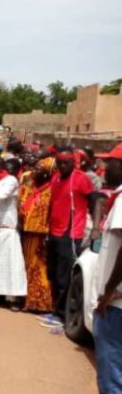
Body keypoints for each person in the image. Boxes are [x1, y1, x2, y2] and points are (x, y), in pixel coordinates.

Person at [45, 146, 98, 325]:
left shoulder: (81, 179)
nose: (62, 166)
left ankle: (60, 315)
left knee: (63, 275)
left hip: (71, 233)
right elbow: (53, 203)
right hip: (54, 231)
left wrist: (96, 227)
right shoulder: (56, 178)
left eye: (66, 162)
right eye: (59, 162)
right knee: (52, 273)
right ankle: (55, 309)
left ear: (73, 162)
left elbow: (95, 200)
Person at [93, 144, 122, 394]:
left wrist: (109, 292)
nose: (104, 168)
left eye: (109, 163)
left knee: (111, 374)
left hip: (117, 305)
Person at [0, 157, 27, 310]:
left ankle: (13, 298)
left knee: (11, 265)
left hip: (7, 228)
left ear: (1, 167)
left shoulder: (11, 181)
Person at [19, 157, 55, 313]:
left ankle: (38, 301)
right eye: (36, 167)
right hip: (25, 231)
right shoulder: (28, 187)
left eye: (40, 169)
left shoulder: (51, 191)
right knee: (26, 266)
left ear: (47, 174)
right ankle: (25, 299)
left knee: (37, 267)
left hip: (40, 234)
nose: (35, 170)